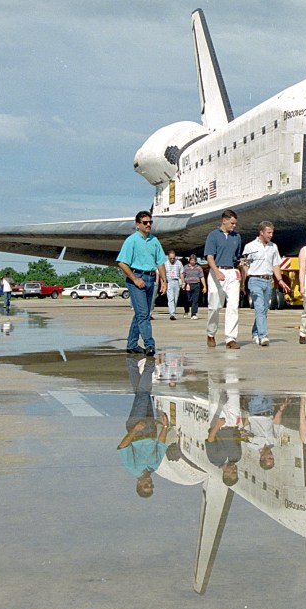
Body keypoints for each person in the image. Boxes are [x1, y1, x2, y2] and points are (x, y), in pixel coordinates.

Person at [116, 210, 167, 357]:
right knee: (144, 314)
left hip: (151, 279)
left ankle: (131, 344)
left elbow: (160, 262)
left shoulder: (154, 241)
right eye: (145, 222)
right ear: (138, 224)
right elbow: (122, 262)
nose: (148, 225)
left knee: (141, 313)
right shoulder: (131, 241)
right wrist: (135, 279)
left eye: (150, 222)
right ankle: (150, 344)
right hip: (137, 278)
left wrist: (164, 280)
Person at [117, 356, 168, 498]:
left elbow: (122, 446)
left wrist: (135, 429)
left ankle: (149, 365)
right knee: (141, 394)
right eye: (152, 486)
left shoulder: (132, 468)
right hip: (151, 429)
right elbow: (161, 445)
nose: (150, 483)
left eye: (146, 485)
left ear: (139, 484)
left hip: (137, 426)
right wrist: (164, 427)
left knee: (144, 394)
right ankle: (132, 361)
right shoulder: (155, 466)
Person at [241, 221, 289, 347]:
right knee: (259, 308)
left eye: (272, 232)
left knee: (264, 309)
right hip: (255, 280)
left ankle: (255, 332)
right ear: (261, 232)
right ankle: (263, 335)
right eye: (269, 232)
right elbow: (245, 266)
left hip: (268, 280)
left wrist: (280, 280)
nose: (271, 235)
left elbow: (275, 265)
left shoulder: (273, 247)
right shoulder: (250, 247)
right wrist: (242, 283)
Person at [204, 210, 244, 349]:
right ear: (224, 220)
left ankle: (230, 338)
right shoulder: (213, 235)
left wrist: (242, 266)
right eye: (232, 223)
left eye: (235, 224)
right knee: (214, 306)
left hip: (232, 272)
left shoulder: (237, 237)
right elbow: (209, 257)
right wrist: (217, 272)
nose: (234, 226)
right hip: (217, 271)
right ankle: (211, 333)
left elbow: (237, 257)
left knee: (233, 305)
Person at [182, 254, 206, 319]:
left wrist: (204, 286)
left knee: (195, 300)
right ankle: (186, 310)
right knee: (188, 300)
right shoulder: (185, 267)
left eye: (194, 260)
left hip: (196, 285)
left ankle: (194, 314)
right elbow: (182, 276)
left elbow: (202, 277)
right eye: (191, 260)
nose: (192, 262)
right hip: (188, 285)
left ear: (195, 261)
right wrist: (183, 283)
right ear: (189, 260)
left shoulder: (199, 268)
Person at [164, 250, 184, 320]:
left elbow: (181, 273)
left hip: (176, 281)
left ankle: (173, 311)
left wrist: (183, 282)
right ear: (168, 257)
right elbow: (163, 274)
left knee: (176, 298)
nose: (172, 260)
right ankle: (172, 314)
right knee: (171, 298)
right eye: (171, 258)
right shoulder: (165, 264)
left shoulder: (178, 263)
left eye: (173, 258)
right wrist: (164, 283)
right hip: (169, 281)